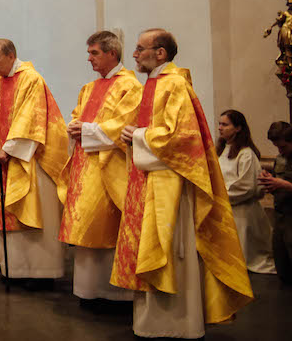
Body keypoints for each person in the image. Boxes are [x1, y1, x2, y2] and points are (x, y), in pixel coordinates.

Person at [110, 29, 252, 338]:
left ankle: (175, 325)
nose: (134, 54)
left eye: (140, 48)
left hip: (169, 187)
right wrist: (131, 136)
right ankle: (152, 323)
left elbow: (181, 137)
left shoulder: (174, 85)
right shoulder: (154, 84)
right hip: (150, 180)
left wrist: (134, 136)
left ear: (160, 53)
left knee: (172, 253)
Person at [0, 38, 68, 289]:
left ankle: (40, 273)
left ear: (11, 55)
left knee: (31, 212)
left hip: (31, 159)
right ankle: (13, 269)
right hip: (4, 157)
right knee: (9, 214)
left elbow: (32, 118)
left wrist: (10, 150)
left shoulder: (31, 79)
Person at [60, 31, 141, 306]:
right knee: (85, 227)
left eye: (94, 53)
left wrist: (88, 130)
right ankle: (88, 290)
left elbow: (125, 124)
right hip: (85, 168)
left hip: (110, 169)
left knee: (107, 227)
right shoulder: (90, 88)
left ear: (112, 54)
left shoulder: (130, 86)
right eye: (89, 53)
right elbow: (77, 115)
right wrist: (74, 127)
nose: (89, 59)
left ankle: (114, 293)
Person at [216, 109, 277, 274]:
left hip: (242, 212)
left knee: (241, 260)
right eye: (219, 124)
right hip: (225, 208)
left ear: (238, 128)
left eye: (225, 124)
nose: (220, 128)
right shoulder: (221, 151)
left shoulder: (246, 154)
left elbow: (247, 186)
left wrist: (219, 194)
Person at [260, 121, 292, 284]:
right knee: (283, 269)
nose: (279, 151)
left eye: (283, 147)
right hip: (281, 219)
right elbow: (278, 185)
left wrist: (289, 187)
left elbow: (289, 186)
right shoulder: (280, 159)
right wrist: (270, 182)